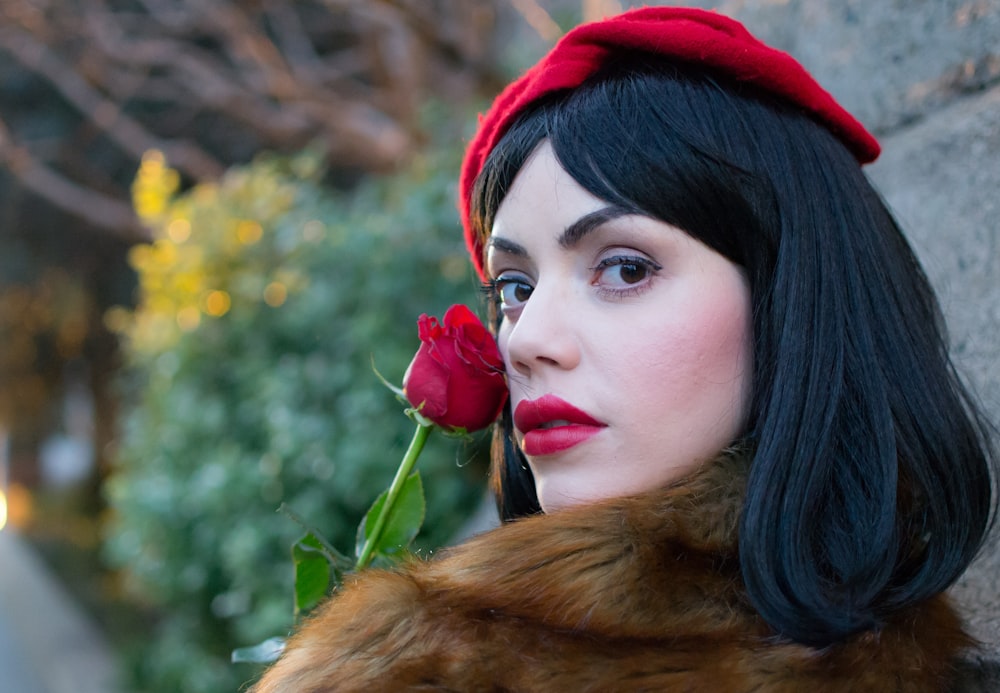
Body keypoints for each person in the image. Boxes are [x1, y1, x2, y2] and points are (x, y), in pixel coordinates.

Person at [251, 7, 996, 691]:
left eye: (625, 267)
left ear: (796, 302)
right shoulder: (412, 667)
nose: (528, 339)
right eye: (514, 286)